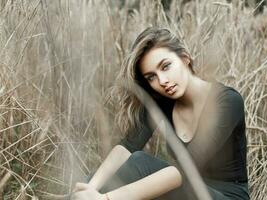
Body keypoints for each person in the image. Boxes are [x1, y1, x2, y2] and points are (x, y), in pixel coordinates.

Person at [71, 27, 250, 200]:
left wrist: (107, 198)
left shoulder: (227, 102)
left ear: (185, 58)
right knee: (93, 181)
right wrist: (91, 187)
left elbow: (185, 170)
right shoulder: (164, 100)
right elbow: (128, 146)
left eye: (166, 66)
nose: (162, 81)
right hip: (184, 191)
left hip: (224, 196)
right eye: (151, 77)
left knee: (141, 162)